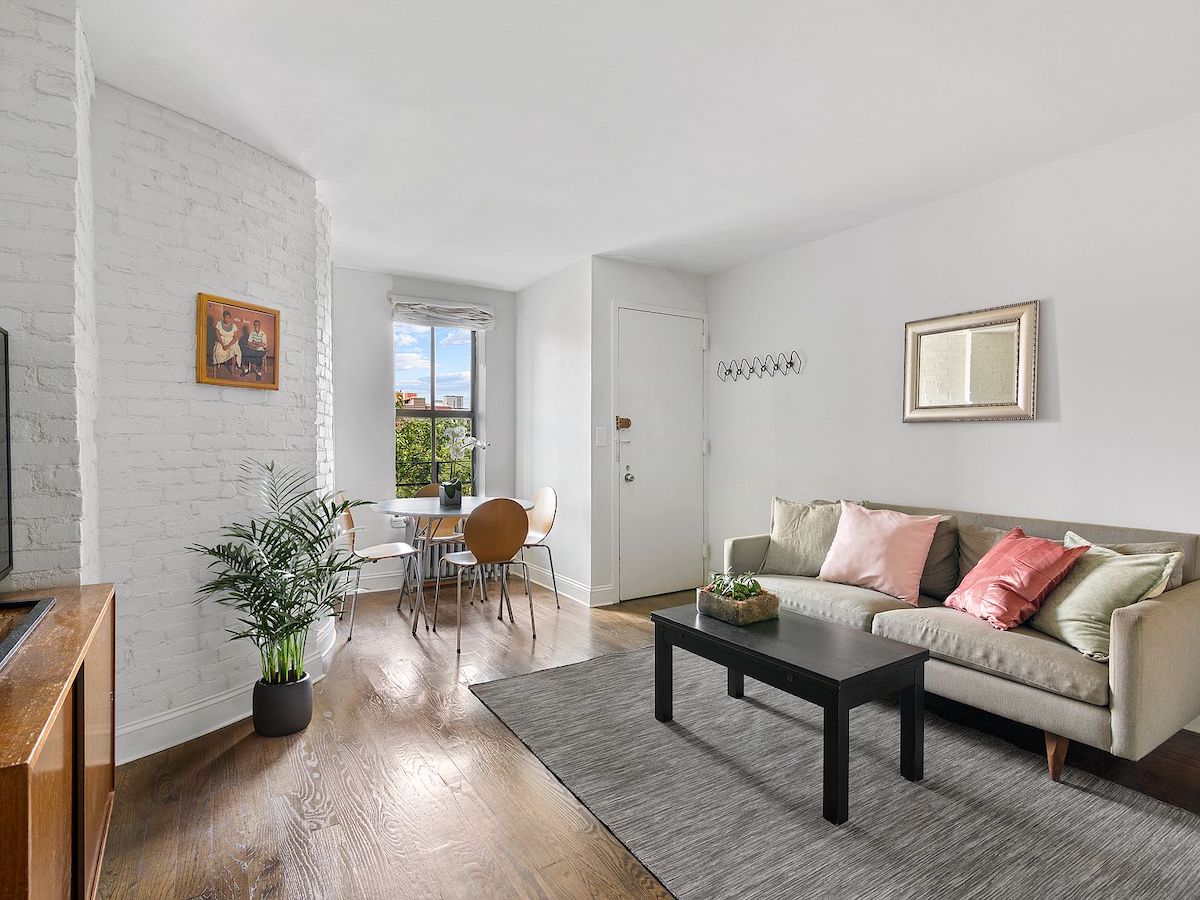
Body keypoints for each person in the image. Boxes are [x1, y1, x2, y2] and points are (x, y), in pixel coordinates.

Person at [212, 308, 241, 375]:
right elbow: (218, 335)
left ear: (230, 318)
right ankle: (219, 362)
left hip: (231, 342)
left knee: (234, 350)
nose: (227, 319)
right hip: (221, 341)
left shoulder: (234, 326)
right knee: (217, 351)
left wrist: (228, 345)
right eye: (225, 317)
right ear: (223, 318)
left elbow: (235, 338)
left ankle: (232, 367)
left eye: (228, 318)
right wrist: (223, 344)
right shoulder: (219, 323)